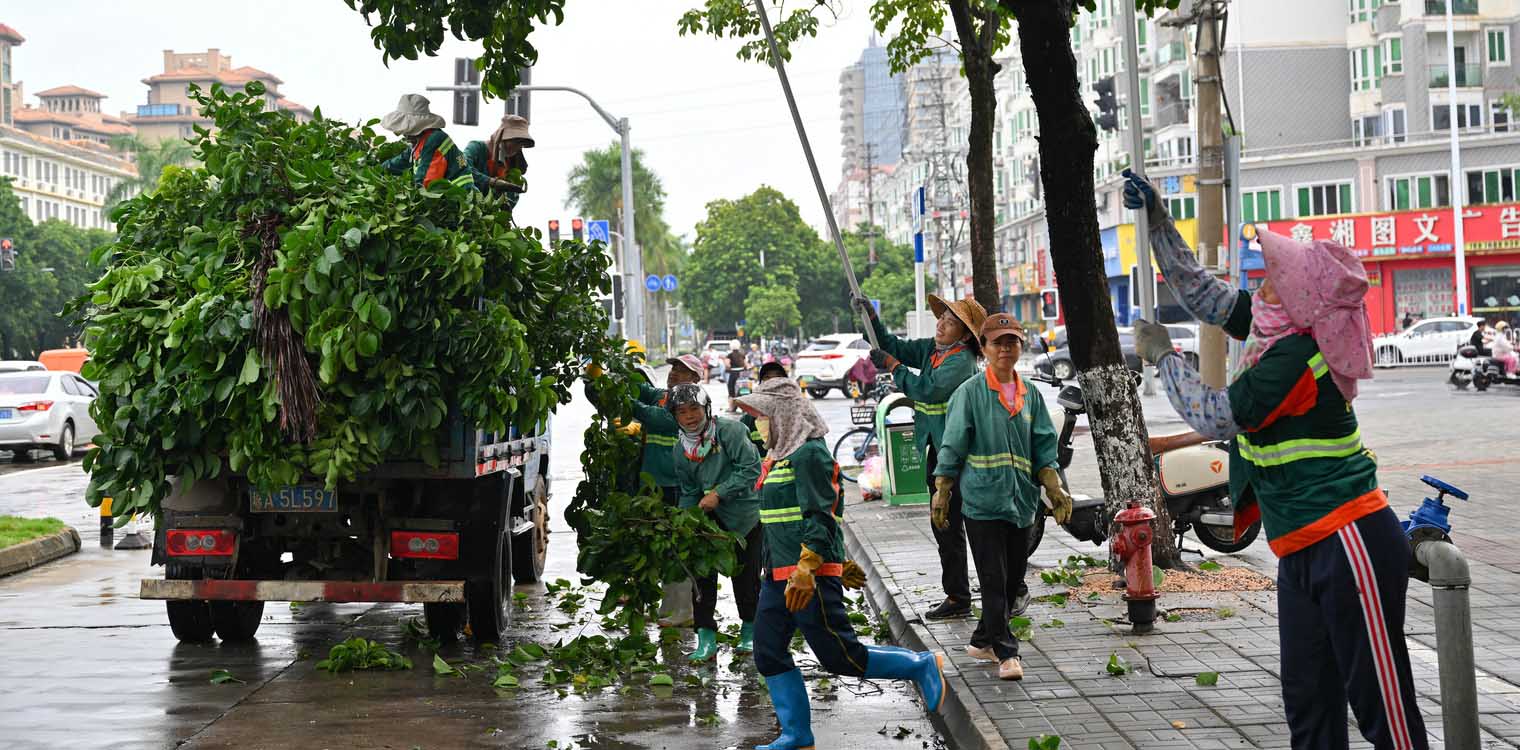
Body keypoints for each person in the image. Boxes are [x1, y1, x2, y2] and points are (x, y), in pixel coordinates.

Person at [1123, 169, 1427, 749]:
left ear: (1297, 302)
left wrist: (1164, 358)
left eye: (1271, 282)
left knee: (1383, 711)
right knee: (1308, 708)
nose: (1259, 288)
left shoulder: (1293, 359)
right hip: (1300, 549)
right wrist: (1160, 222)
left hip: (1348, 541)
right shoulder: (1273, 330)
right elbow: (1204, 294)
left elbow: (1215, 414)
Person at [733, 378, 945, 750]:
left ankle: (920, 664)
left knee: (840, 656)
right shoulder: (778, 456)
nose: (757, 424)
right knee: (767, 652)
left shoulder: (809, 454)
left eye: (761, 416)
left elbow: (823, 512)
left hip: (806, 576)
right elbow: (788, 519)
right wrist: (839, 558)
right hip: (777, 576)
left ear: (782, 415)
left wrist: (812, 566)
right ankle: (797, 735)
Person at [932, 313, 1071, 681]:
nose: (1005, 349)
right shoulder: (970, 394)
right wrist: (943, 489)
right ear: (984, 348)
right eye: (998, 342)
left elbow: (1043, 444)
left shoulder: (1031, 395)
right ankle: (1007, 653)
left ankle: (982, 639)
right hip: (981, 500)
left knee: (1012, 581)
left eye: (1011, 342)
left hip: (1021, 502)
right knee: (993, 579)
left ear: (1020, 347)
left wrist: (1052, 484)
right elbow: (952, 443)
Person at [851, 292, 990, 621]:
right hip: (936, 449)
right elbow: (896, 347)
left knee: (952, 524)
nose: (942, 324)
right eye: (942, 318)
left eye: (951, 322)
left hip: (956, 455)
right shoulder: (935, 350)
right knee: (943, 525)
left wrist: (893, 368)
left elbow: (925, 389)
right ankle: (956, 594)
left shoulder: (960, 361)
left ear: (966, 334)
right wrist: (871, 317)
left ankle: (962, 596)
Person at [667, 384, 762, 661]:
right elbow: (688, 491)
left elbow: (751, 469)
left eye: (694, 409)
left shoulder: (730, 432)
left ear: (706, 409)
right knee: (702, 581)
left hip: (744, 518)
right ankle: (706, 637)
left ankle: (750, 631)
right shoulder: (680, 450)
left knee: (746, 580)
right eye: (681, 412)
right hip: (707, 523)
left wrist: (719, 493)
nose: (689, 417)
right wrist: (684, 521)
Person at [633, 354, 707, 628]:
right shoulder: (662, 396)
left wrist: (628, 402)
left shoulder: (692, 404)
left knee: (678, 549)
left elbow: (655, 417)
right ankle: (665, 608)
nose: (674, 373)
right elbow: (640, 389)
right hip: (654, 486)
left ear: (696, 379)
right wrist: (609, 377)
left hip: (680, 487)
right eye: (674, 367)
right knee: (657, 548)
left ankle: (683, 611)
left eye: (683, 370)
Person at [380, 94, 477, 187]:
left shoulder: (434, 140)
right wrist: (377, 168)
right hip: (449, 195)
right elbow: (400, 161)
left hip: (460, 194)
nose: (404, 135)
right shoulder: (418, 143)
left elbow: (424, 181)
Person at [463, 114, 533, 208]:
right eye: (514, 141)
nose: (517, 147)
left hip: (489, 214)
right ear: (502, 138)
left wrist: (505, 203)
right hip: (468, 207)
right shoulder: (476, 148)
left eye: (521, 144)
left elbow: (512, 196)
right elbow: (463, 169)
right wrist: (491, 182)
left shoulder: (511, 165)